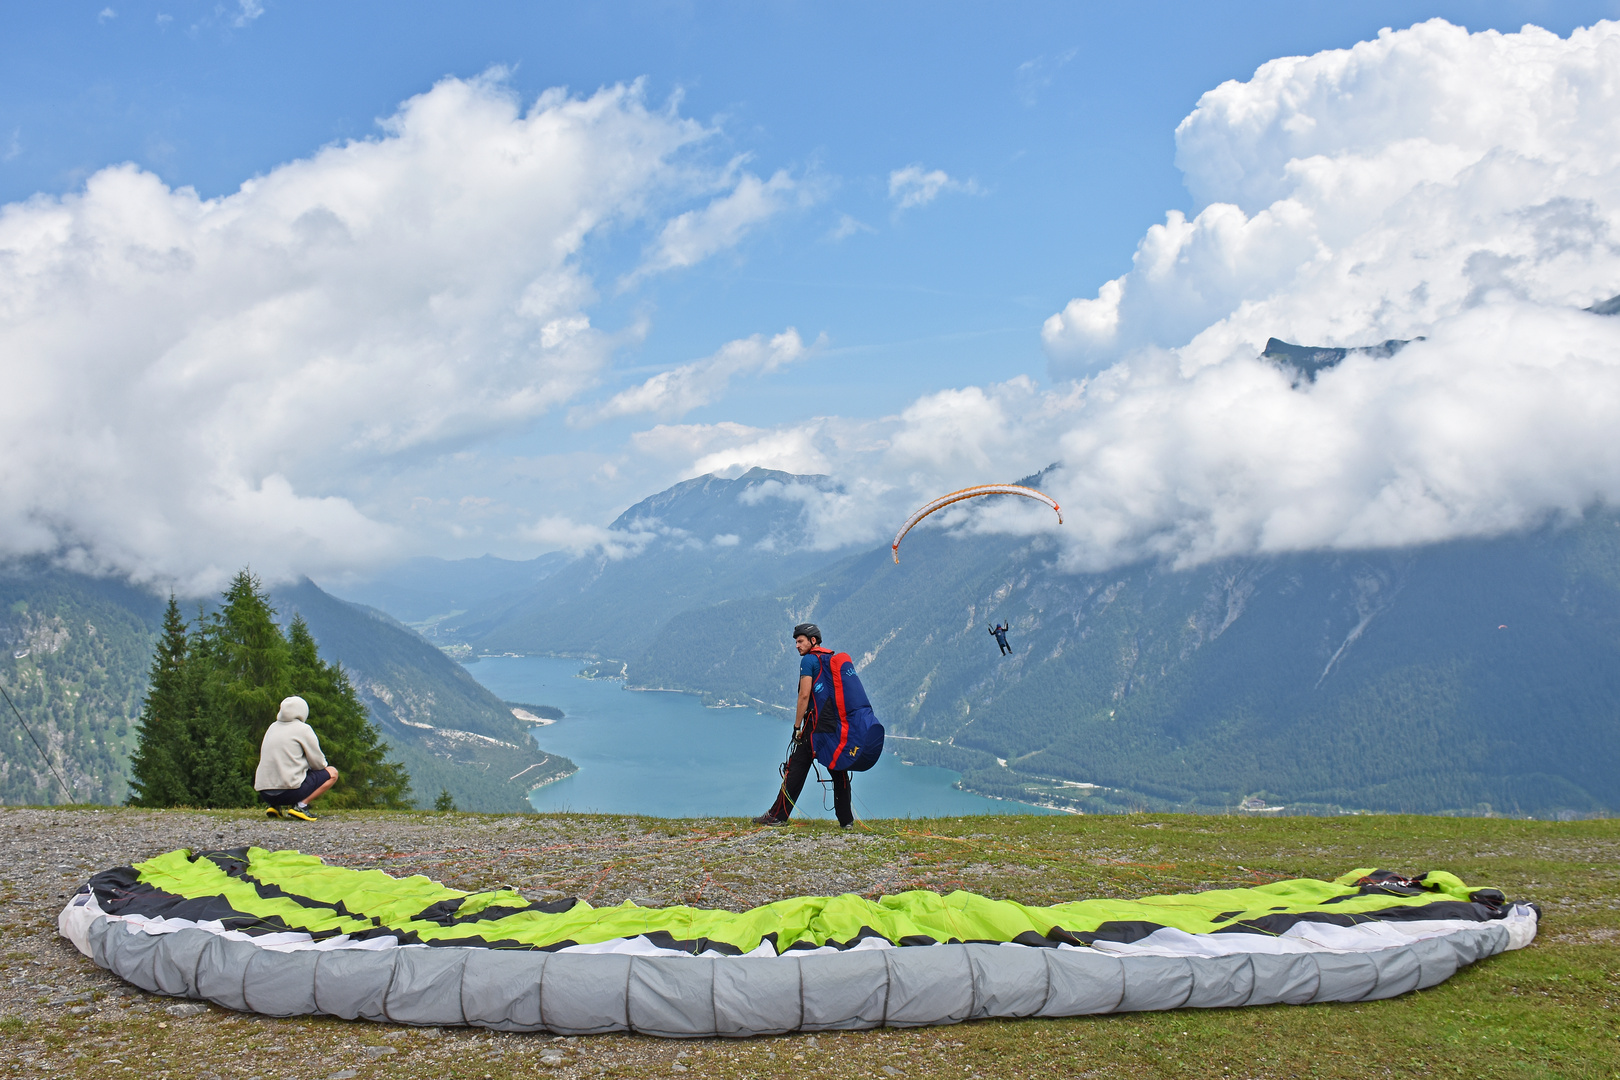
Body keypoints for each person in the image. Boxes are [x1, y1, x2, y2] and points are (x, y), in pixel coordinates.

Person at [753, 623, 853, 829]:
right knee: (838, 769)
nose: (797, 645)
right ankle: (847, 821)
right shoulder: (830, 659)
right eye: (796, 642)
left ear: (813, 641)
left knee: (796, 768)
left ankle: (777, 816)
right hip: (833, 725)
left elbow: (804, 695)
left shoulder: (808, 661)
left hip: (813, 726)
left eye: (800, 641)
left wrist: (797, 726)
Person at [254, 695, 339, 821]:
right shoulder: (303, 729)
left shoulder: (272, 727)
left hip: (265, 793)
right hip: (289, 793)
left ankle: (274, 806)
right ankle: (301, 806)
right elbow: (319, 764)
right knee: (332, 772)